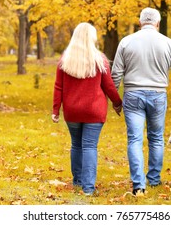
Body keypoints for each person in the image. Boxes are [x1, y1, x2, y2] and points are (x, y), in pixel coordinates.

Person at [111, 7, 171, 196]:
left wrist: (115, 98)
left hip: (133, 95)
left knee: (134, 139)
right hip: (157, 95)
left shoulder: (126, 42)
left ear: (140, 23)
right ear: (157, 23)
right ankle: (154, 180)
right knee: (156, 138)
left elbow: (116, 73)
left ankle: (139, 184)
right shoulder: (168, 43)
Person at [52, 22, 122, 196]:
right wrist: (117, 102)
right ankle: (88, 188)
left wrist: (55, 110)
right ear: (92, 38)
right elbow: (109, 86)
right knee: (90, 146)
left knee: (76, 145)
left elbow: (58, 87)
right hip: (94, 111)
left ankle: (77, 181)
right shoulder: (100, 60)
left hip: (72, 111)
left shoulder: (65, 60)